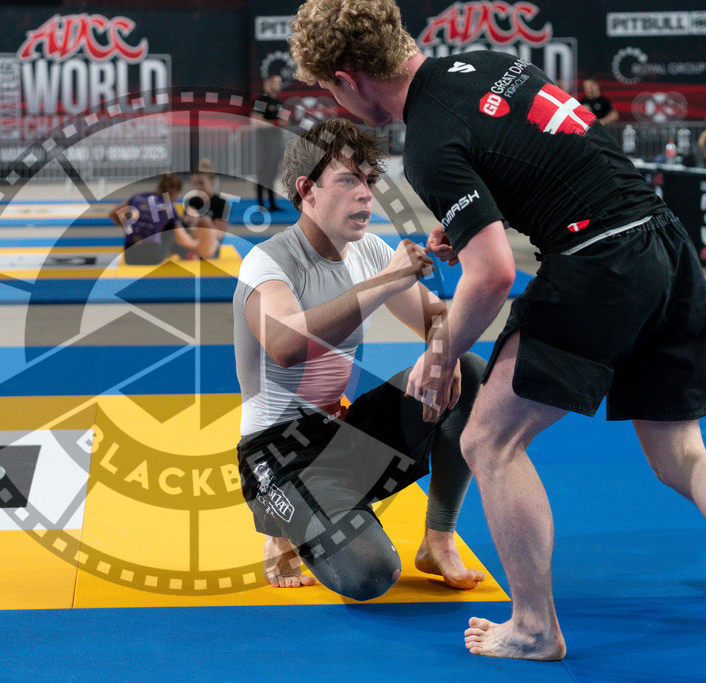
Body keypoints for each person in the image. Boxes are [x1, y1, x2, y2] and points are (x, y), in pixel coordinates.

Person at [289, 0, 706, 661]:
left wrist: (440, 350)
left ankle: (535, 627)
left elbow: (493, 276)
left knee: (489, 440)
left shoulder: (428, 141)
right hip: (668, 249)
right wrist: (466, 227)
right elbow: (545, 164)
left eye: (329, 91)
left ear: (346, 77)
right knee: (680, 455)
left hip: (601, 265)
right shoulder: (486, 63)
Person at [234, 117, 486, 600]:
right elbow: (285, 347)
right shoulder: (269, 260)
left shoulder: (367, 250)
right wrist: (388, 281)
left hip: (342, 435)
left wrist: (444, 347)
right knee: (369, 574)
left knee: (469, 370)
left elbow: (436, 318)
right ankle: (282, 521)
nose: (366, 194)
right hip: (279, 454)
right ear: (307, 190)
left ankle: (438, 537)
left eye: (371, 181)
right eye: (349, 180)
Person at [111, 173, 210, 265]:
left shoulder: (138, 197)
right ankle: (188, 254)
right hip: (153, 257)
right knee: (171, 231)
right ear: (175, 190)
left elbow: (113, 214)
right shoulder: (168, 207)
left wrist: (129, 228)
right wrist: (198, 244)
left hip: (130, 257)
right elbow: (183, 240)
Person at [250, 74, 285, 212]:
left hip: (275, 143)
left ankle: (272, 203)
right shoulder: (261, 100)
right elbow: (255, 122)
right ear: (268, 84)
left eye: (280, 83)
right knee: (262, 173)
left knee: (272, 173)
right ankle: (260, 204)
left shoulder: (278, 102)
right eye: (276, 83)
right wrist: (274, 123)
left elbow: (283, 122)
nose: (279, 86)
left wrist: (280, 123)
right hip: (264, 143)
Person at [182, 158, 229, 259]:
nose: (197, 187)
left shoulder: (221, 202)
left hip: (211, 246)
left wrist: (206, 222)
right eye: (194, 184)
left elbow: (219, 235)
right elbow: (184, 231)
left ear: (211, 181)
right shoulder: (192, 201)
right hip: (193, 242)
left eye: (201, 183)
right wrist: (188, 222)